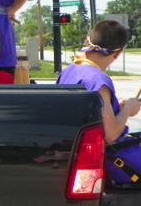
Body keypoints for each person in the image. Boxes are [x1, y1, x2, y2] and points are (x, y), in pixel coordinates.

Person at [56, 20, 141, 185]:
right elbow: (109, 135)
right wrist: (127, 111)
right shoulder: (98, 80)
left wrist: (117, 106)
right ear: (118, 53)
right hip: (100, 164)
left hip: (69, 157)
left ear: (88, 40)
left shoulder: (68, 72)